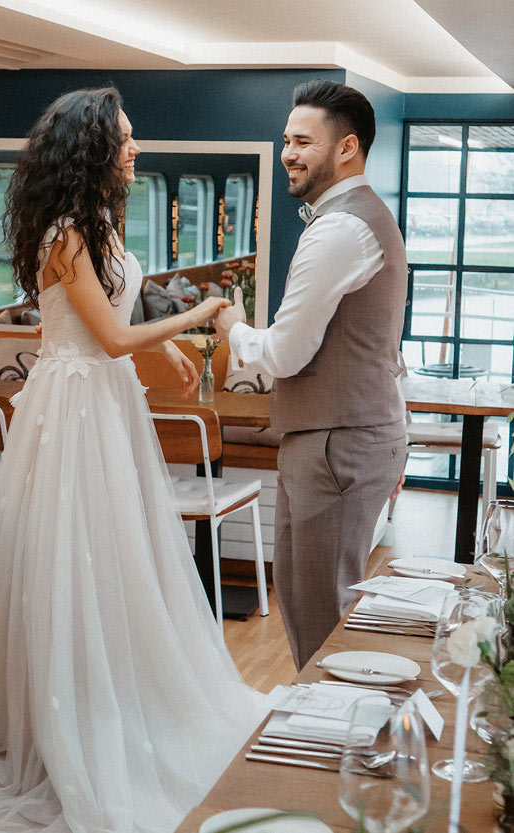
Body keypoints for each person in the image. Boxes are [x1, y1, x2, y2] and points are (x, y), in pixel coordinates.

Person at [0, 87, 269, 833]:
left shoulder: (94, 226)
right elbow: (115, 338)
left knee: (114, 555)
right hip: (73, 409)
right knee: (74, 558)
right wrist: (204, 316)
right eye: (124, 140)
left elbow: (99, 337)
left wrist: (167, 366)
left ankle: (113, 699)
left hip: (96, 398)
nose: (134, 149)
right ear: (92, 149)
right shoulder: (66, 233)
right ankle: (75, 719)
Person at [214, 80, 408, 671]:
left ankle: (336, 747)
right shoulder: (357, 219)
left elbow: (287, 353)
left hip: (337, 441)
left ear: (346, 147)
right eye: (285, 140)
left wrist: (234, 327)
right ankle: (327, 737)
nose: (288, 153)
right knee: (305, 600)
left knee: (323, 611)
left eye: (303, 141)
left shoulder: (340, 228)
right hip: (338, 436)